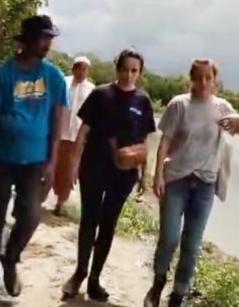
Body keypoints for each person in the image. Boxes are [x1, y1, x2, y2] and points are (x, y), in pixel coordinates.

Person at [144, 58, 239, 306]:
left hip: (205, 183)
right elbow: (165, 143)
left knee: (192, 243)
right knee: (169, 237)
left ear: (214, 80)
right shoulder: (178, 104)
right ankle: (157, 285)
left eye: (208, 78)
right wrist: (157, 175)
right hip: (177, 179)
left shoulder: (222, 107)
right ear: (191, 78)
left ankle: (178, 294)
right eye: (198, 77)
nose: (203, 83)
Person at [0, 15, 68, 305]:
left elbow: (58, 124)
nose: (48, 43)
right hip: (1, 158)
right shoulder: (3, 74)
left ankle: (11, 260)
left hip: (35, 161)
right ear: (29, 39)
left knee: (31, 215)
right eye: (43, 38)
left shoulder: (54, 77)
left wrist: (53, 163)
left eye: (50, 38)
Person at [61, 49, 156, 301]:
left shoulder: (143, 101)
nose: (129, 75)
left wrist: (144, 176)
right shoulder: (101, 94)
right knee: (88, 220)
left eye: (134, 70)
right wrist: (73, 164)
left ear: (140, 72)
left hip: (123, 175)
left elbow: (144, 142)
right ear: (118, 68)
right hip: (93, 167)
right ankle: (79, 273)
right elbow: (83, 131)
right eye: (125, 69)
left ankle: (94, 279)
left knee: (108, 224)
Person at [53, 56, 95, 217]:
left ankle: (60, 203)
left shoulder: (91, 89)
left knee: (68, 170)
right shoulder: (63, 82)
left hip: (76, 136)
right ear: (74, 68)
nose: (81, 72)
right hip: (59, 132)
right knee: (54, 165)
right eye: (79, 68)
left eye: (85, 69)